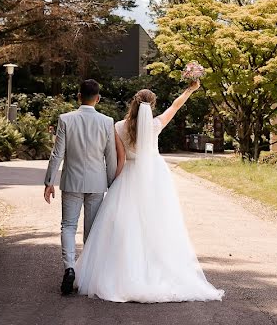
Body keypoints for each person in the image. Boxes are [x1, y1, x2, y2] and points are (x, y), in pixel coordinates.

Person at [75, 81, 224, 303]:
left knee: (124, 226)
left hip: (127, 176)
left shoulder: (118, 127)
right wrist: (190, 89)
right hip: (155, 179)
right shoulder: (156, 124)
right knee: (158, 225)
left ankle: (121, 272)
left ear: (133, 103)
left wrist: (113, 183)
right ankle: (154, 269)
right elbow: (175, 105)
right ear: (151, 105)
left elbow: (120, 159)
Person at [43, 79, 118, 295]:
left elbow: (57, 153)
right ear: (98, 98)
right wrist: (112, 183)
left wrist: (49, 181)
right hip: (97, 182)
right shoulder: (107, 121)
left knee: (68, 226)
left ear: (78, 96)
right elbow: (110, 156)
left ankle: (69, 268)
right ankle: (86, 274)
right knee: (92, 230)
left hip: (72, 181)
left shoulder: (66, 119)